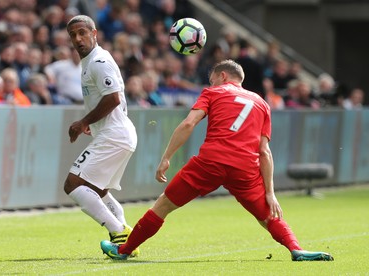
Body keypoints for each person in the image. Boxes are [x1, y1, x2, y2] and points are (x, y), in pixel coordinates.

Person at [100, 59, 334, 262]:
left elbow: (189, 123)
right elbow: (265, 151)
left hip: (210, 163)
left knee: (164, 205)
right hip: (245, 169)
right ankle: (296, 248)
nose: (211, 84)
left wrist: (166, 157)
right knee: (267, 216)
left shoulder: (214, 92)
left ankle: (124, 250)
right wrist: (270, 192)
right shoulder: (262, 103)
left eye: (212, 80)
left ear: (222, 76)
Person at [63, 15, 139, 257]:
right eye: (73, 35)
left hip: (115, 135)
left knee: (73, 184)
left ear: (94, 34)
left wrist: (84, 121)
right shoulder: (89, 62)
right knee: (98, 189)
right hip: (115, 133)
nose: (78, 39)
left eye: (82, 33)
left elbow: (113, 98)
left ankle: (119, 233)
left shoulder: (98, 61)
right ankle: (127, 237)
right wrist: (92, 124)